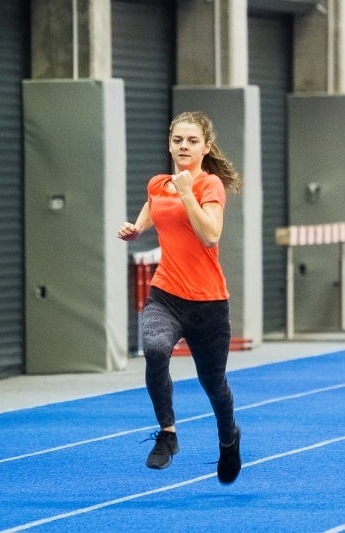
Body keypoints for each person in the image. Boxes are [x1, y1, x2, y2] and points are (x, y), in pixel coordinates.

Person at [117, 111, 242, 484]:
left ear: (205, 146)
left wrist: (187, 194)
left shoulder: (209, 186)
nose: (183, 147)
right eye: (177, 140)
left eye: (191, 141)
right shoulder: (159, 183)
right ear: (170, 144)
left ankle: (228, 439)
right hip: (166, 294)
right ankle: (167, 435)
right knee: (154, 350)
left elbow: (210, 235)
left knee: (214, 385)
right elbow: (155, 204)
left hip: (208, 303)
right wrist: (137, 227)